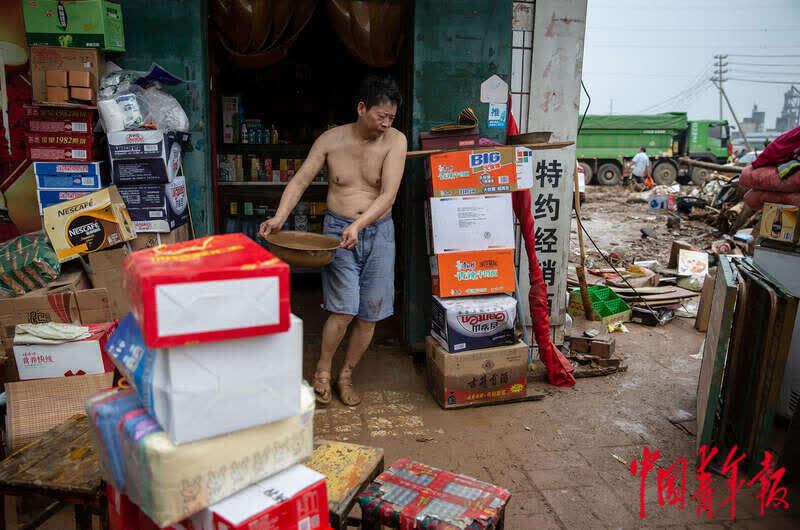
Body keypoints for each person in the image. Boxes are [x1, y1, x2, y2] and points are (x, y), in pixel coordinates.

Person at [258, 74, 407, 407]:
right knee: (343, 309)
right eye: (380, 115)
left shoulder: (396, 141)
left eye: (391, 118)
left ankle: (346, 374)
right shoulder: (331, 140)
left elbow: (389, 195)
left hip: (379, 232)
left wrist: (361, 224)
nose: (386, 123)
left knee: (369, 313)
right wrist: (280, 217)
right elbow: (299, 182)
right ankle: (323, 372)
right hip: (337, 232)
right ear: (361, 107)